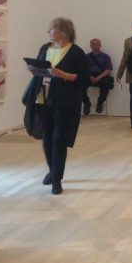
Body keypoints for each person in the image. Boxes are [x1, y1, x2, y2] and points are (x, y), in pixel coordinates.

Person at [24, 17, 88, 195]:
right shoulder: (45, 48)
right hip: (43, 97)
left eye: (51, 29)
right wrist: (33, 69)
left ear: (63, 31)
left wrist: (63, 74)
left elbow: (84, 78)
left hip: (65, 101)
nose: (48, 33)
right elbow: (40, 68)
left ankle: (57, 180)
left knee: (58, 138)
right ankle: (52, 171)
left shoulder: (76, 53)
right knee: (46, 136)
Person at [82, 38, 114, 115]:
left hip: (101, 76)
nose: (96, 46)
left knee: (106, 84)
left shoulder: (106, 56)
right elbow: (82, 69)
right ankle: (86, 103)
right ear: (90, 45)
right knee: (79, 84)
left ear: (100, 45)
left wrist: (98, 77)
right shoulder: (86, 57)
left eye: (98, 44)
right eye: (94, 44)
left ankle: (100, 103)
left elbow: (108, 70)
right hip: (89, 77)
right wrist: (90, 76)